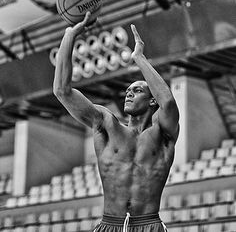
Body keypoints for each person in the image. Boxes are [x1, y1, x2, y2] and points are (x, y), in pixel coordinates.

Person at [53, 12, 180, 232]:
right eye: (128, 91)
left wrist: (139, 58)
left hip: (148, 225)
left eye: (137, 90)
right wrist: (69, 36)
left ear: (152, 100)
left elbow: (167, 101)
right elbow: (62, 91)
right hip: (109, 225)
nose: (129, 94)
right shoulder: (106, 124)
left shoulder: (162, 133)